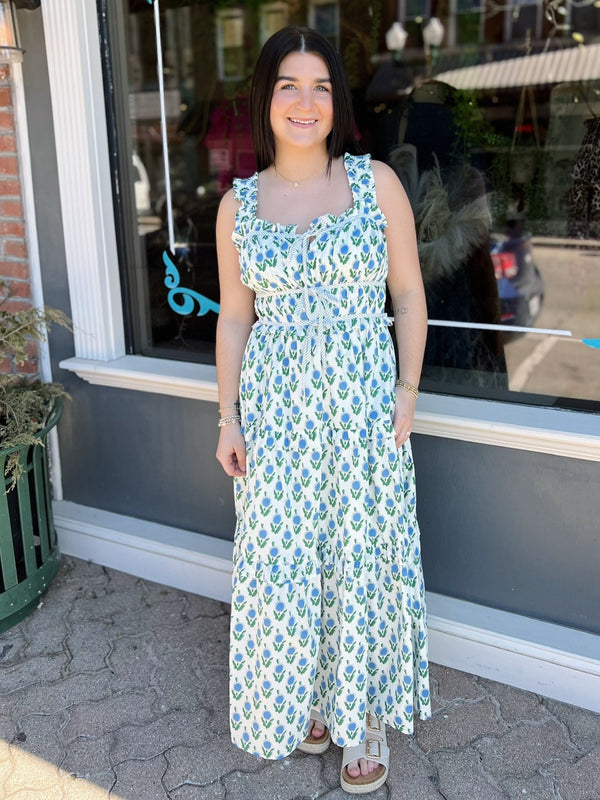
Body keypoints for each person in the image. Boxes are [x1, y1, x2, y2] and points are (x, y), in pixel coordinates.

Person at [215, 26, 430, 795]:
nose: (304, 102)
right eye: (287, 86)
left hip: (364, 407)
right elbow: (235, 317)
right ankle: (305, 699)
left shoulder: (376, 185)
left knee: (359, 557)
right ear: (266, 100)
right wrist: (228, 416)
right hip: (278, 415)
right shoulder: (238, 205)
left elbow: (407, 294)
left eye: (320, 87)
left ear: (336, 102)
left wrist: (406, 394)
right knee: (287, 559)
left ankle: (362, 713)